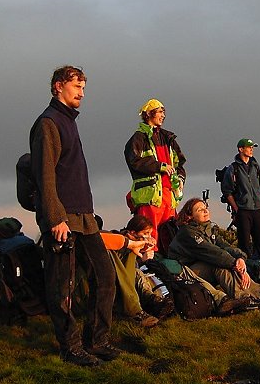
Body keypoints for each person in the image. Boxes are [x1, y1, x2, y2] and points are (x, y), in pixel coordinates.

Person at [30, 65, 117, 367]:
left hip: (85, 216)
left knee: (105, 277)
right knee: (62, 287)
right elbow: (46, 177)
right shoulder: (48, 123)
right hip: (63, 219)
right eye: (76, 86)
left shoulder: (69, 121)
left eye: (83, 87)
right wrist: (55, 219)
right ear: (57, 87)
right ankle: (70, 347)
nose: (81, 92)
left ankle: (99, 340)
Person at [168, 197, 260, 307]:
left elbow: (226, 246)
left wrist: (240, 258)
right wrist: (235, 264)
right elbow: (211, 252)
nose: (205, 211)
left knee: (224, 262)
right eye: (200, 210)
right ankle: (245, 298)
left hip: (202, 266)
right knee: (219, 264)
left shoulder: (209, 229)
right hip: (186, 272)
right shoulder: (187, 233)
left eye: (205, 208)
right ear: (190, 217)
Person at [124, 98, 186, 253]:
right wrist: (159, 167)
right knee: (148, 232)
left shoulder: (168, 137)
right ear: (148, 114)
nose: (163, 115)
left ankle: (167, 265)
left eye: (164, 111)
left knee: (169, 232)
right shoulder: (138, 138)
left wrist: (180, 178)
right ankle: (149, 264)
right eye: (159, 111)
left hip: (169, 194)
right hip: (150, 194)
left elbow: (179, 162)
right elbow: (134, 160)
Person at [220, 138, 260, 261]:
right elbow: (227, 190)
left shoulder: (257, 167)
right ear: (241, 149)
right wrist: (236, 208)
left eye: (252, 147)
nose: (251, 149)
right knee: (244, 244)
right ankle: (246, 272)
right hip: (243, 210)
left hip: (259, 209)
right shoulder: (233, 168)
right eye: (249, 147)